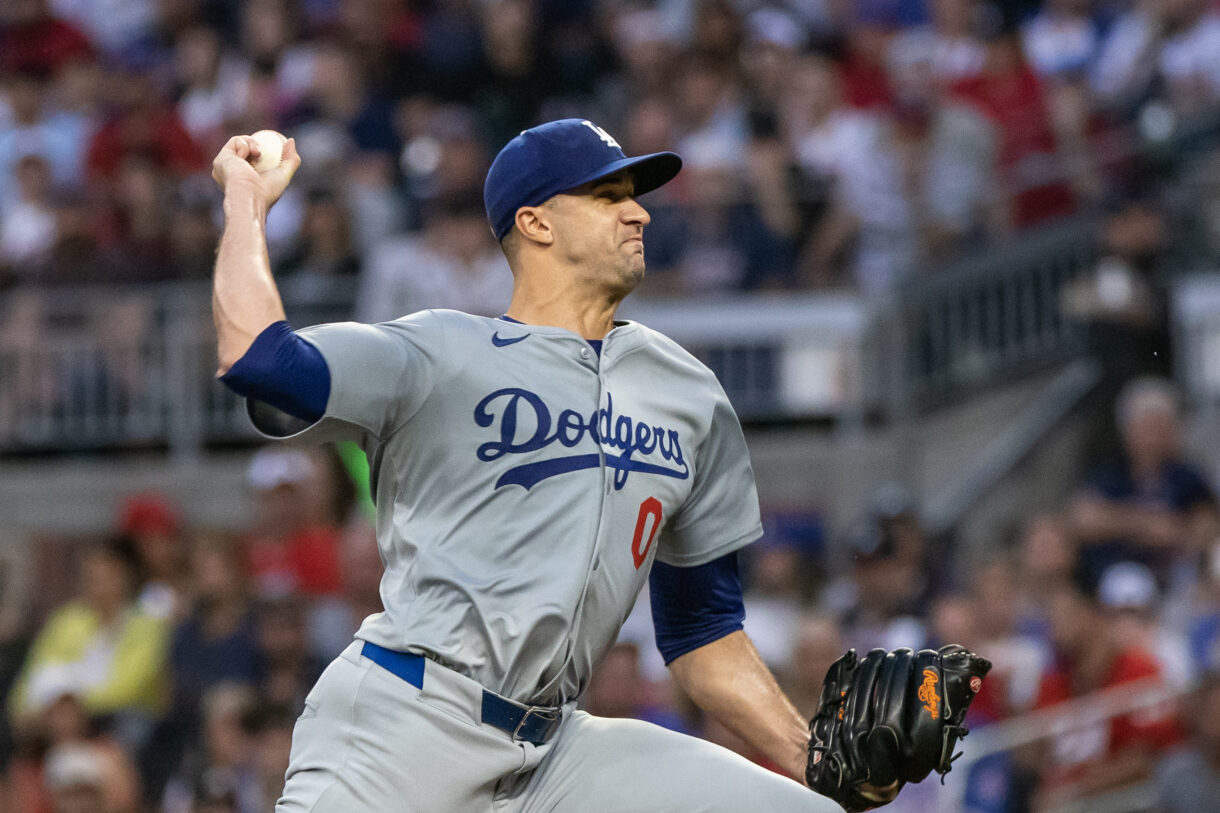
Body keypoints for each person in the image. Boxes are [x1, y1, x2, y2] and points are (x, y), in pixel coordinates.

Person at [208, 118, 887, 810]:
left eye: (635, 194)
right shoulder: (441, 351)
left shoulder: (689, 395)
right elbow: (259, 358)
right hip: (406, 721)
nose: (639, 210)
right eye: (607, 195)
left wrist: (816, 760)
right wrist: (245, 200)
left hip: (555, 750)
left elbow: (703, 630)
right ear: (535, 223)